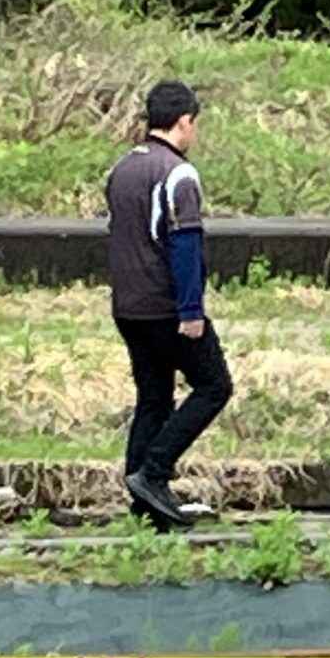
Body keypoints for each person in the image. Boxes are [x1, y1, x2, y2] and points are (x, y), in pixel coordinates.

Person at [105, 80, 232, 529]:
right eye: (194, 124)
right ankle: (153, 473)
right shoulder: (178, 174)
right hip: (166, 307)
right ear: (185, 121)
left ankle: (143, 504)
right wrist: (191, 310)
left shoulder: (121, 169)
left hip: (128, 306)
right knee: (214, 385)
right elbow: (183, 245)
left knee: (153, 398)